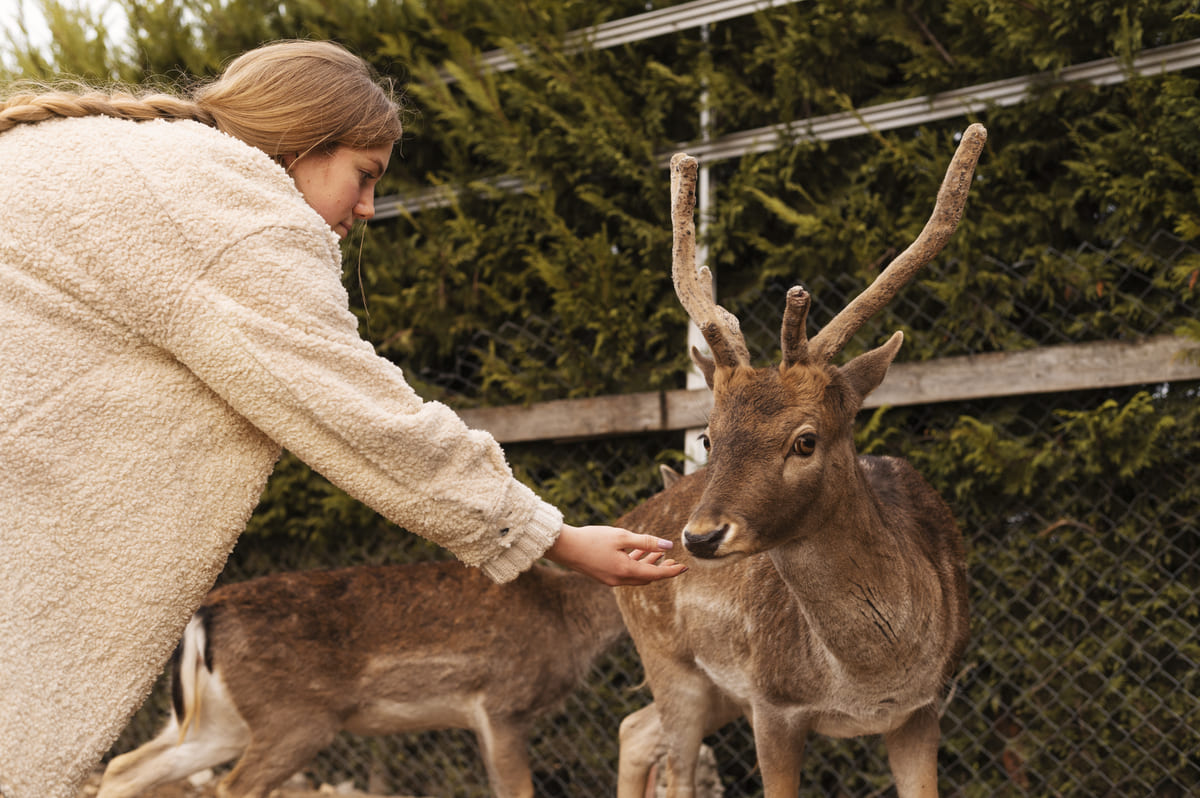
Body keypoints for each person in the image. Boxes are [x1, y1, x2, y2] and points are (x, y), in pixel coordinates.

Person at [0, 39, 684, 798]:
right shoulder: (236, 211)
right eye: (365, 176)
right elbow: (361, 415)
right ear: (302, 140)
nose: (366, 209)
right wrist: (552, 538)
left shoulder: (99, 156)